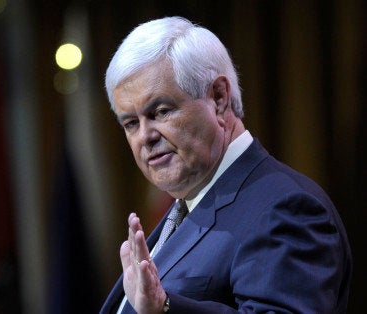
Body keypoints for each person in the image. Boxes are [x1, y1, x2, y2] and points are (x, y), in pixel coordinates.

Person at [99, 16, 352, 313]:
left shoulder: (285, 208)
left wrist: (166, 308)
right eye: (130, 123)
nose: (145, 137)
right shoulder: (188, 207)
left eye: (161, 111)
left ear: (218, 98)